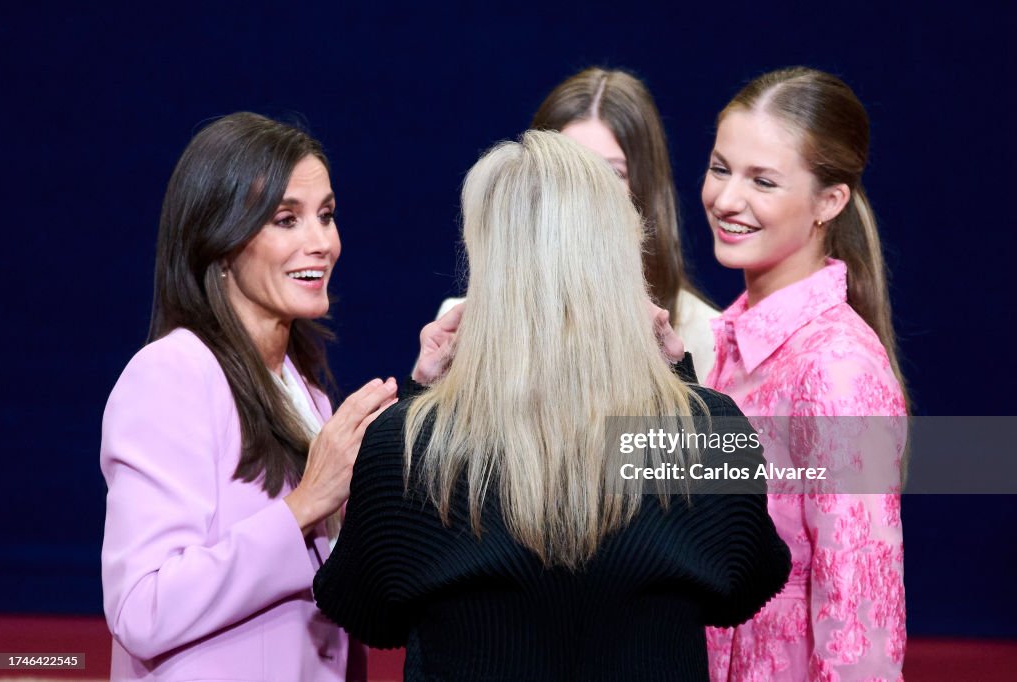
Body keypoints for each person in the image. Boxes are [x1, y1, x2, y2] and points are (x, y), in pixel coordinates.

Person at [315, 130, 790, 681]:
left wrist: (423, 399)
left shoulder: (406, 444)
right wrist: (677, 381)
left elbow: (369, 613)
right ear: (621, 256)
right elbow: (744, 587)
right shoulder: (710, 431)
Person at [100, 112, 398, 680]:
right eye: (287, 219)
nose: (322, 243)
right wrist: (304, 507)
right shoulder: (171, 374)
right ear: (220, 240)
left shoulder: (308, 396)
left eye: (326, 216)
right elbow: (142, 606)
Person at [699, 68, 908, 680]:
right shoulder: (730, 347)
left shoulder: (837, 366)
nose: (727, 200)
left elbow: (863, 620)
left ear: (829, 201)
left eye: (762, 180)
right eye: (720, 168)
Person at [437, 67, 720, 379]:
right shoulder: (461, 325)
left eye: (612, 174)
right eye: (565, 174)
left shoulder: (703, 335)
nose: (586, 196)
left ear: (646, 187)